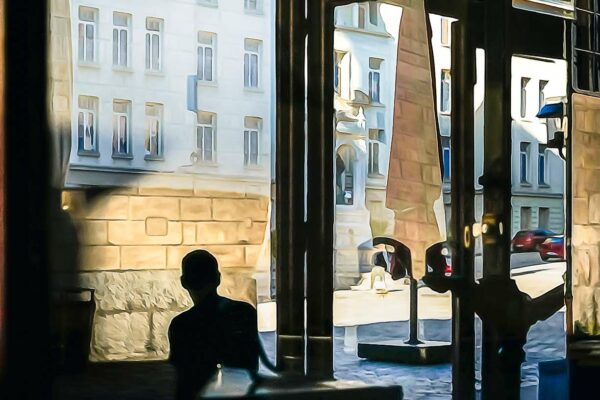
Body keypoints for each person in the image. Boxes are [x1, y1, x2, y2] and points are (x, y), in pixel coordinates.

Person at [169, 250, 259, 399]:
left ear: (184, 282)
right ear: (218, 279)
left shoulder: (182, 325)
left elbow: (184, 379)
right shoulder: (245, 312)